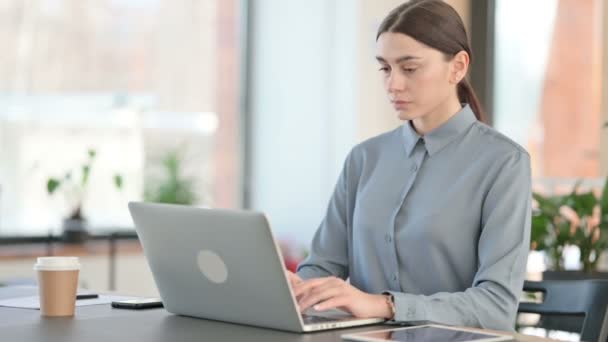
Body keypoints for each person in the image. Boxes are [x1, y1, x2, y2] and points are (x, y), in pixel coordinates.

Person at [286, 0, 531, 331]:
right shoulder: (364, 159)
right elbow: (322, 266)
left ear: (458, 67)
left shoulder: (504, 163)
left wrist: (385, 305)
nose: (393, 84)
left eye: (409, 68)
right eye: (385, 68)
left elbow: (496, 305)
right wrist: (299, 289)